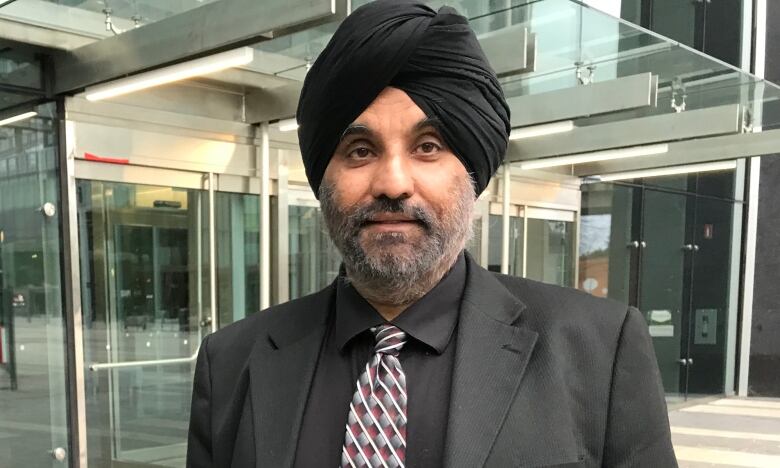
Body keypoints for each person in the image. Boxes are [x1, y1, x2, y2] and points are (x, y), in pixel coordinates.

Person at [186, 1, 677, 467]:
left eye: (428, 146)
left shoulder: (598, 350)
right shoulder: (231, 362)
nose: (393, 183)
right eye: (359, 150)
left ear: (471, 172)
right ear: (323, 177)